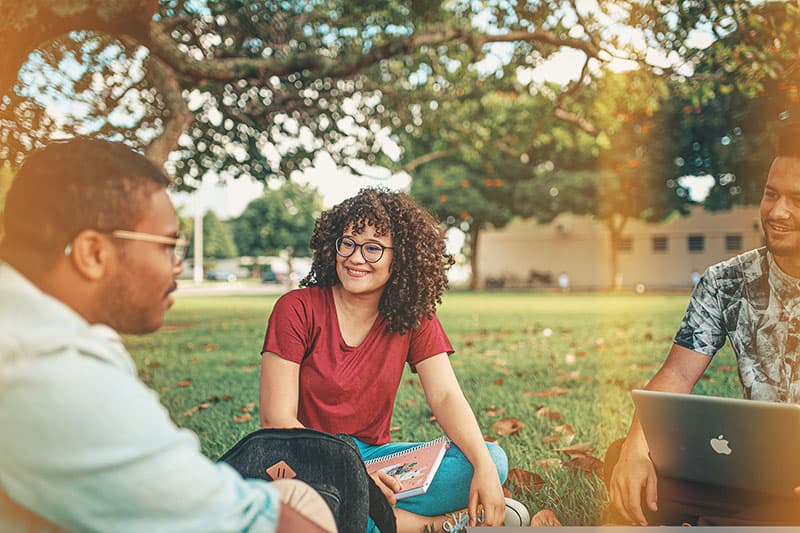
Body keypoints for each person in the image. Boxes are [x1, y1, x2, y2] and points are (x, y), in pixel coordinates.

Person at [0, 138, 336, 533]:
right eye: (167, 246)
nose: (177, 266)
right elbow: (264, 525)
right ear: (93, 253)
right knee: (302, 506)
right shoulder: (52, 371)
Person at [259, 188, 524, 532]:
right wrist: (354, 478)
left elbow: (445, 396)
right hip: (306, 460)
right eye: (348, 243)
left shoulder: (413, 316)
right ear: (332, 245)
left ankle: (363, 516)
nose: (356, 258)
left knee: (491, 457)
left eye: (373, 248)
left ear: (401, 258)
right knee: (302, 503)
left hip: (374, 460)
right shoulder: (296, 308)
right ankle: (437, 525)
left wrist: (485, 468)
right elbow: (276, 420)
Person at [605, 126, 800, 526]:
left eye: (797, 200)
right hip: (755, 469)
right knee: (627, 461)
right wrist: (636, 448)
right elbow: (676, 374)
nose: (777, 212)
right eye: (771, 194)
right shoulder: (727, 281)